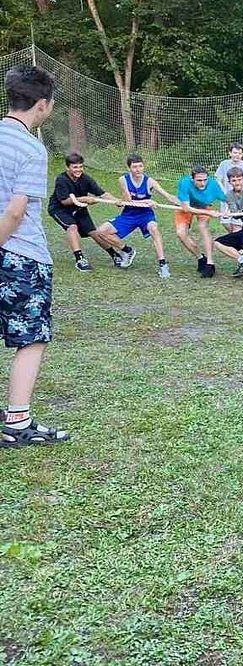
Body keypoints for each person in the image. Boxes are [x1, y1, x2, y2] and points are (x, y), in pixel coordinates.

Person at [0, 66, 68, 447]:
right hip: (21, 256)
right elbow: (15, 211)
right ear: (42, 105)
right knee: (31, 338)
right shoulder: (31, 147)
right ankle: (18, 421)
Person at [96, 154, 180, 279]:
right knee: (101, 231)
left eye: (140, 166)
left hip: (145, 215)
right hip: (129, 214)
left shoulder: (150, 181)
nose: (138, 169)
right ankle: (127, 251)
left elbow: (168, 196)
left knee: (154, 229)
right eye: (134, 167)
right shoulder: (123, 180)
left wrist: (183, 205)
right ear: (129, 168)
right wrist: (147, 201)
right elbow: (128, 200)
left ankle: (163, 264)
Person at [47, 152, 123, 271]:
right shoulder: (61, 179)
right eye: (75, 167)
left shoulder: (86, 179)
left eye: (80, 166)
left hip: (79, 209)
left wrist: (115, 201)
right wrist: (84, 199)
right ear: (67, 168)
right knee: (72, 227)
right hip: (60, 209)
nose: (79, 170)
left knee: (94, 232)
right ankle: (80, 260)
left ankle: (115, 255)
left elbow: (102, 193)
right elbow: (64, 201)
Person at [175, 165, 229, 278]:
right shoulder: (185, 183)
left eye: (205, 180)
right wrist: (210, 213)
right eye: (199, 180)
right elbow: (186, 208)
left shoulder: (213, 185)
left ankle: (210, 263)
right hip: (186, 206)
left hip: (204, 205)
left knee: (203, 227)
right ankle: (200, 257)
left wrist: (228, 211)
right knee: (180, 233)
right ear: (192, 179)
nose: (203, 183)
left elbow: (228, 199)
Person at [214, 143, 243, 234]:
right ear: (230, 153)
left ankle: (237, 238)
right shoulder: (224, 164)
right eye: (235, 153)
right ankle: (235, 237)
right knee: (225, 221)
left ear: (242, 154)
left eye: (239, 153)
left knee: (237, 224)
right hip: (226, 198)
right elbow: (217, 179)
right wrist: (223, 191)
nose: (237, 155)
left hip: (240, 198)